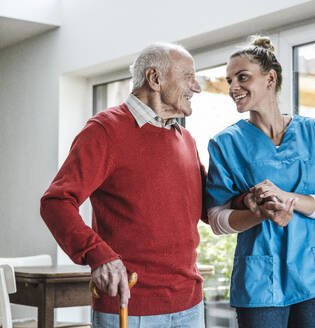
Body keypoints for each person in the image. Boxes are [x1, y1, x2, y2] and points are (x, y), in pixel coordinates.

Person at [40, 43, 206, 327]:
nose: (197, 87)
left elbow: (206, 203)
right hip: (131, 304)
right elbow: (56, 203)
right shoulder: (104, 130)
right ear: (155, 79)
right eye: (188, 76)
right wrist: (98, 254)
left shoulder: (185, 139)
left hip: (190, 304)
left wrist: (248, 200)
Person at [206, 36, 315, 328]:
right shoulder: (225, 143)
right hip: (262, 277)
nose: (233, 87)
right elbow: (216, 218)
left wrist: (285, 197)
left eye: (242, 77)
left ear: (270, 78)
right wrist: (257, 214)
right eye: (229, 80)